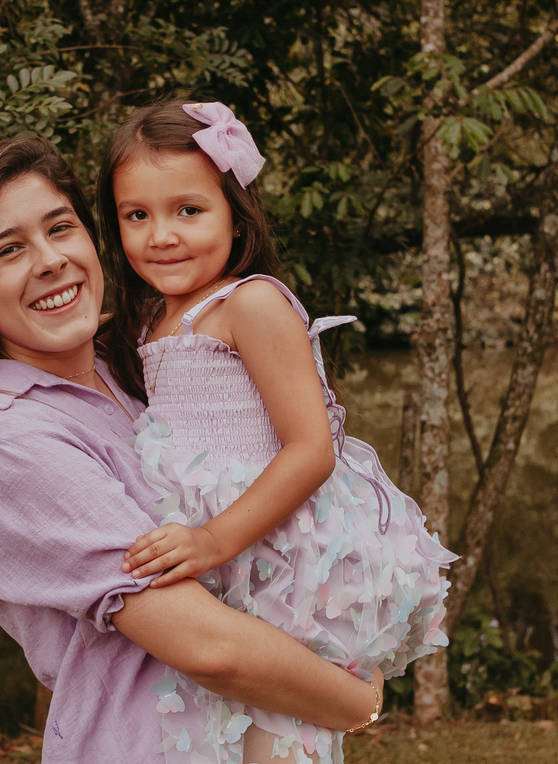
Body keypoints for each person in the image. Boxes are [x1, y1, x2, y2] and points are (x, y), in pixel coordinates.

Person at [0, 135, 383, 764]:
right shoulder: (10, 451)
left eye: (61, 227)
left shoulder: (141, 361)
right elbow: (206, 646)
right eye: (8, 251)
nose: (51, 260)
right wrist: (358, 700)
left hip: (254, 728)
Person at [97, 100, 460, 762]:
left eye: (189, 210)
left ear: (236, 214)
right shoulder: (149, 319)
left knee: (284, 739)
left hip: (275, 560)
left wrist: (211, 539)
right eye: (137, 216)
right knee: (221, 737)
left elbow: (311, 449)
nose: (161, 235)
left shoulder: (252, 304)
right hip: (219, 570)